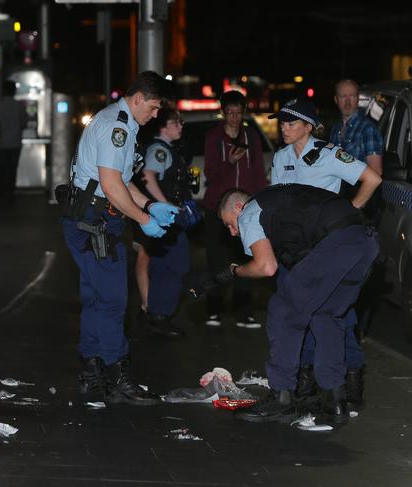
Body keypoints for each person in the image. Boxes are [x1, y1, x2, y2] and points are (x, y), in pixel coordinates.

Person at [205, 184, 378, 423]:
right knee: (326, 315)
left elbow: (266, 267)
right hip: (365, 240)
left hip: (337, 242)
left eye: (229, 224)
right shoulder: (278, 200)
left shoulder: (250, 211)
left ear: (238, 206)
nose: (233, 232)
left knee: (284, 310)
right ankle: (334, 400)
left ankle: (281, 396)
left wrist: (236, 271)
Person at [61, 71, 179, 406]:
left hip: (90, 219)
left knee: (96, 297)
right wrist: (143, 220)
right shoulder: (118, 127)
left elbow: (122, 182)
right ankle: (117, 376)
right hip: (94, 223)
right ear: (139, 98)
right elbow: (111, 186)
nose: (156, 116)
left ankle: (92, 371)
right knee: (113, 299)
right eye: (154, 108)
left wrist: (152, 205)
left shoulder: (119, 121)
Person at [270, 98, 382, 412]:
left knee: (336, 316)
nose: (284, 128)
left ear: (309, 126)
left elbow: (372, 180)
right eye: (282, 123)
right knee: (294, 313)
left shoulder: (329, 155)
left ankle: (350, 378)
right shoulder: (280, 158)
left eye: (291, 123)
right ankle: (304, 379)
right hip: (293, 249)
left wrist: (348, 211)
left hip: (326, 247)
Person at [202, 90, 267, 329]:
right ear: (223, 112)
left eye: (238, 112)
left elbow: (258, 172)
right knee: (217, 259)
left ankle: (243, 311)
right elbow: (210, 174)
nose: (234, 118)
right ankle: (214, 309)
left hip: (246, 209)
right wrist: (228, 161)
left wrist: (261, 202)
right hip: (218, 209)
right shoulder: (213, 137)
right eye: (229, 113)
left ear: (244, 112)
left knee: (246, 257)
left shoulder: (252, 136)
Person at [330, 78, 386, 343]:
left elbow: (376, 174)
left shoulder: (368, 129)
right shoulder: (333, 131)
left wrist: (357, 208)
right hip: (340, 206)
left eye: (352, 96)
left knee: (363, 269)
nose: (348, 101)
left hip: (362, 205)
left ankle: (359, 327)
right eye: (343, 96)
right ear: (336, 100)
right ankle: (343, 322)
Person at [138, 107, 194, 339]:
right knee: (173, 267)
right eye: (176, 122)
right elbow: (148, 176)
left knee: (165, 266)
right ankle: (160, 316)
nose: (181, 125)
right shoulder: (159, 149)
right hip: (166, 217)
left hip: (166, 216)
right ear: (163, 126)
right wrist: (166, 206)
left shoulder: (168, 149)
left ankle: (159, 315)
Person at [0, 81, 28, 205]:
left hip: (1, 142)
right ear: (14, 91)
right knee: (13, 168)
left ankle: (2, 189)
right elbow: (24, 123)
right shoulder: (19, 106)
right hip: (15, 141)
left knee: (2, 167)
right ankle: (10, 192)